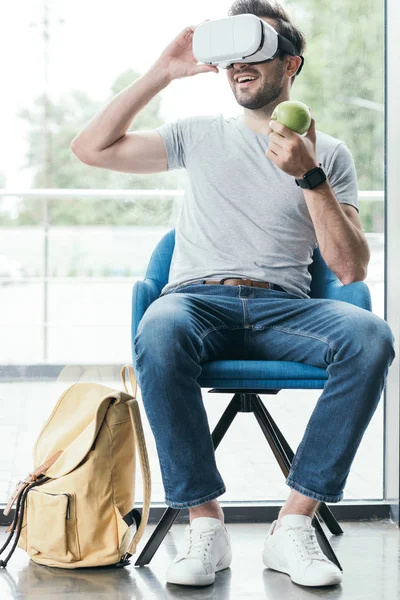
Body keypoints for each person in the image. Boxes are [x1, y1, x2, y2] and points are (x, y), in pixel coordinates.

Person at [71, 0, 395, 589]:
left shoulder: (330, 154)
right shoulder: (197, 136)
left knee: (370, 336)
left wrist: (309, 175)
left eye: (257, 52)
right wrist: (162, 73)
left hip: (286, 308)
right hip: (195, 302)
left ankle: (293, 526)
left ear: (291, 65)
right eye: (231, 58)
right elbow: (89, 150)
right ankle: (205, 525)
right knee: (161, 327)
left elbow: (349, 271)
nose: (239, 66)